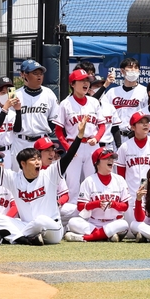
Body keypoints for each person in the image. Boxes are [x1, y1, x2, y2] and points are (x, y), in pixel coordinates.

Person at [0, 115, 87, 245]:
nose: (38, 161)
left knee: (40, 220)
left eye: (38, 158)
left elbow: (69, 156)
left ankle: (4, 237)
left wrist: (79, 136)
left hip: (52, 228)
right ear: (23, 164)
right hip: (27, 226)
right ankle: (25, 240)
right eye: (33, 159)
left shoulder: (50, 173)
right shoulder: (14, 179)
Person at [53, 69, 105, 202]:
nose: (86, 83)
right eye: (82, 81)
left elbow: (102, 126)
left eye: (87, 81)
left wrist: (97, 138)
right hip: (73, 146)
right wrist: (67, 147)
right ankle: (71, 216)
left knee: (92, 180)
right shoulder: (66, 103)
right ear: (72, 84)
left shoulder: (94, 102)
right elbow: (58, 130)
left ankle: (93, 210)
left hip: (92, 145)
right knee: (73, 183)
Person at [115, 112, 150, 231]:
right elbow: (120, 176)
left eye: (147, 122)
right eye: (141, 122)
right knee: (131, 230)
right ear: (133, 127)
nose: (146, 125)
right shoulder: (124, 148)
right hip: (131, 196)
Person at [64, 149, 131, 242]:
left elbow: (125, 206)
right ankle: (106, 235)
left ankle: (84, 238)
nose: (111, 160)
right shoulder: (88, 181)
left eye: (112, 157)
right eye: (107, 158)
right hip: (94, 223)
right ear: (97, 163)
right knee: (73, 222)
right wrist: (96, 204)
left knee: (124, 224)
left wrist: (113, 204)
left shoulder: (120, 180)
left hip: (114, 222)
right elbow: (80, 207)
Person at [12, 59, 59, 167]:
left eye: (41, 73)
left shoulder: (49, 94)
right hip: (21, 141)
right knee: (19, 176)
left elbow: (54, 119)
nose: (39, 76)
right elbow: (12, 123)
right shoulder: (15, 95)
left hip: (42, 142)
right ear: (23, 74)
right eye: (35, 73)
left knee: (43, 175)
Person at [101, 58, 147, 146]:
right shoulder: (112, 92)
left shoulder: (144, 91)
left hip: (136, 135)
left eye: (136, 67)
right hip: (115, 136)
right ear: (122, 71)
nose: (133, 70)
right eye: (130, 67)